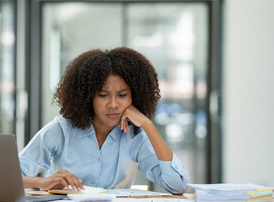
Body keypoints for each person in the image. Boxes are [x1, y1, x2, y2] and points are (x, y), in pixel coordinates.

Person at [19, 47, 188, 194]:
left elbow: (177, 186)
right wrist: (41, 183)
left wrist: (147, 124)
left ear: (134, 97)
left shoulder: (136, 136)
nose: (113, 104)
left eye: (122, 95)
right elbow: (8, 177)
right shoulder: (61, 130)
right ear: (87, 96)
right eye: (103, 95)